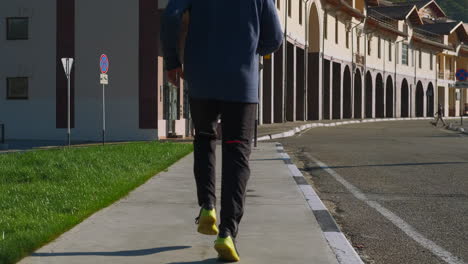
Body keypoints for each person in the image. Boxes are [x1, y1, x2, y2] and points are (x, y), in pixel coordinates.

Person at [161, 0, 283, 262]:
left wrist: (172, 61)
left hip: (201, 78)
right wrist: (248, 50)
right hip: (241, 82)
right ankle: (227, 232)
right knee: (236, 151)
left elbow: (171, 15)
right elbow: (274, 38)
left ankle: (207, 206)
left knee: (204, 139)